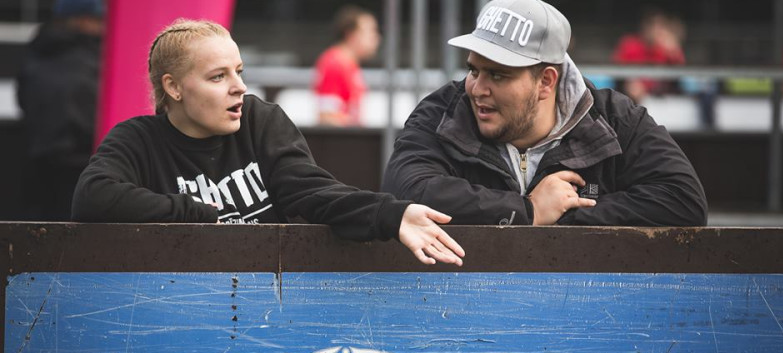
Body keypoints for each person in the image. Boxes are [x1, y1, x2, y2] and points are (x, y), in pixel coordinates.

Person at [71, 19, 464, 266]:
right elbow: (93, 196)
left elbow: (311, 192)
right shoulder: (137, 139)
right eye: (218, 77)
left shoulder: (259, 120)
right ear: (173, 87)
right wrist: (192, 212)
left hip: (263, 304)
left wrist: (392, 214)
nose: (239, 87)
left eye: (239, 71)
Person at [381, 0, 707, 227]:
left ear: (546, 82)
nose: (478, 89)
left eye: (498, 75)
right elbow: (405, 190)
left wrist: (565, 214)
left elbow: (682, 201)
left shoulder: (615, 119)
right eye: (473, 70)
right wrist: (528, 210)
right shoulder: (442, 111)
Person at [16, 0, 105, 220]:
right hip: (85, 160)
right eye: (99, 20)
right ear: (83, 20)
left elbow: (23, 97)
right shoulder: (95, 55)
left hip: (39, 159)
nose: (104, 27)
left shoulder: (38, 48)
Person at [312, 5, 380, 126]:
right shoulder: (334, 64)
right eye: (370, 31)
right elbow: (327, 117)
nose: (376, 38)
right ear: (351, 35)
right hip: (341, 137)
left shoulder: (349, 65)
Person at [612, 9, 686, 104]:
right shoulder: (629, 44)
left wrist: (674, 50)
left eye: (660, 26)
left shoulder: (665, 47)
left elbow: (681, 72)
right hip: (632, 97)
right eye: (652, 25)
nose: (655, 30)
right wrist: (630, 82)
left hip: (662, 99)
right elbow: (617, 70)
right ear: (644, 27)